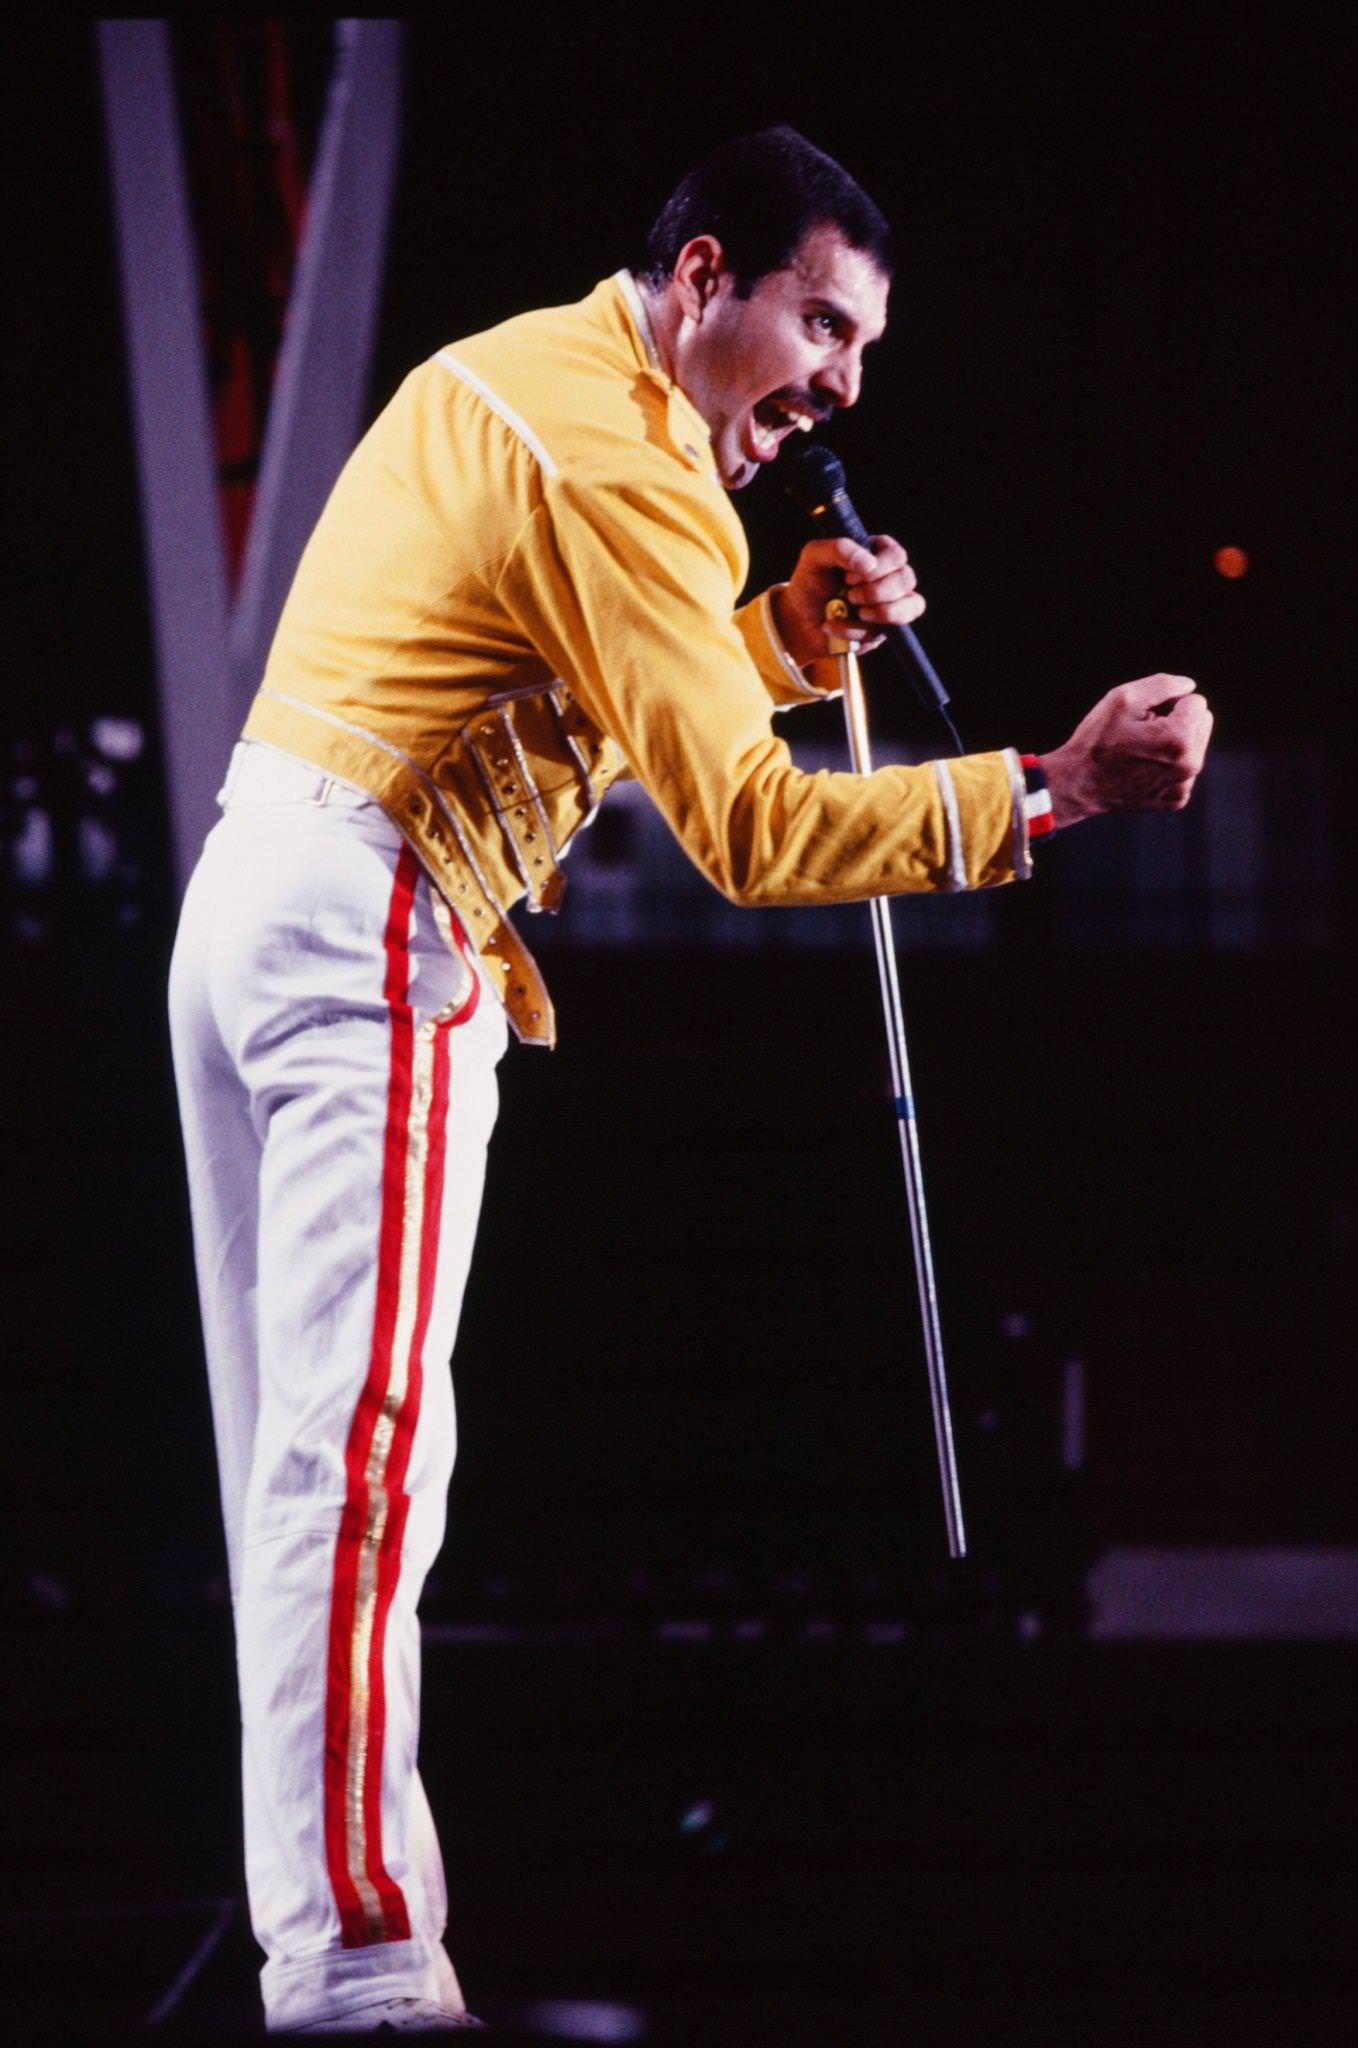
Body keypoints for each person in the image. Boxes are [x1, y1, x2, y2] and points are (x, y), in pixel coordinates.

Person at [168, 126, 1212, 2033]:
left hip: (255, 899)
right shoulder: (633, 464)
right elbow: (741, 828)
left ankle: (309, 1934)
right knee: (363, 1467)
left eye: (865, 349)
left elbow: (589, 694)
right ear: (707, 273)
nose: (840, 381)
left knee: (304, 1468)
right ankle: (360, 1978)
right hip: (374, 936)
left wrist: (793, 635)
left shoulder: (530, 376)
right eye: (823, 322)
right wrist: (1050, 790)